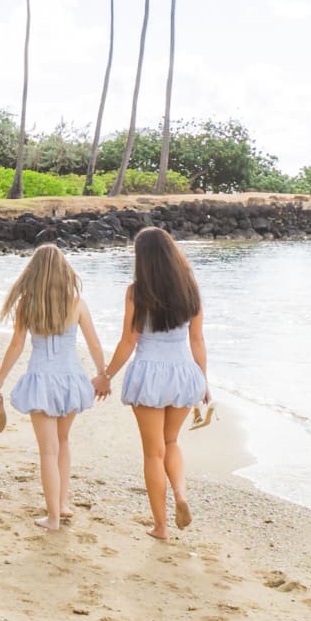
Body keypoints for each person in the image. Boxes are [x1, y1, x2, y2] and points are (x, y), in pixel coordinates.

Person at [0, 242, 113, 530]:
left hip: (42, 380)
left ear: (34, 272)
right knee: (64, 441)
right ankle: (63, 503)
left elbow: (17, 345)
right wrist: (102, 373)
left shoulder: (27, 305)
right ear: (62, 271)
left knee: (48, 450)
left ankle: (53, 517)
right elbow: (94, 342)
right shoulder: (77, 303)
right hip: (71, 379)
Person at [99, 225, 211, 540]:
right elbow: (198, 340)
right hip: (183, 373)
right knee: (172, 442)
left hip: (149, 375)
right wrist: (204, 382)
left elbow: (128, 342)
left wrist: (106, 375)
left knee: (153, 453)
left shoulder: (137, 292)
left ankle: (161, 527)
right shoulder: (191, 288)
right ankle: (181, 495)